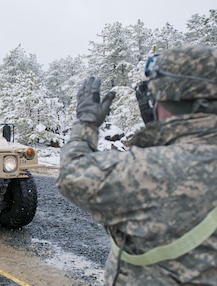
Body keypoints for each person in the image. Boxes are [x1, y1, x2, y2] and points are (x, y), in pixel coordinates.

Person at [57, 45, 217, 285]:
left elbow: (72, 173)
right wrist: (161, 133)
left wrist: (86, 123)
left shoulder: (153, 168)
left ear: (169, 98)